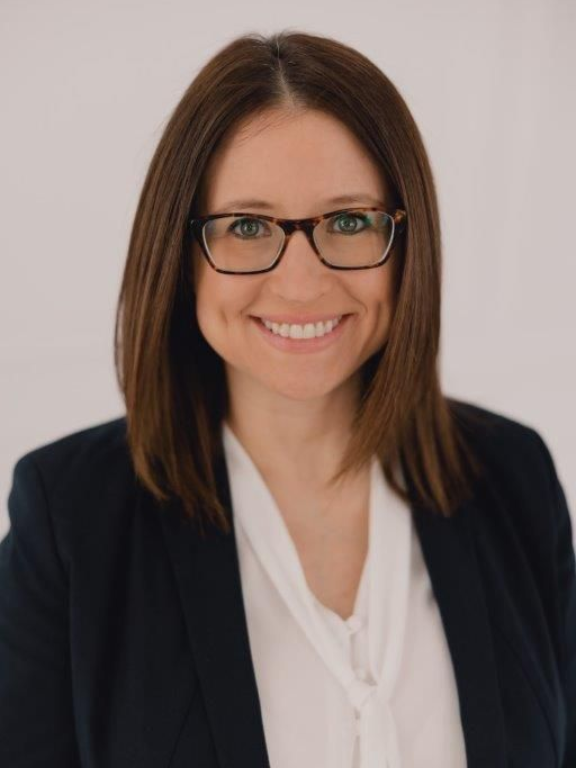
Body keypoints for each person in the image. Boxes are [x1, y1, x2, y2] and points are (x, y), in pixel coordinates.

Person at [1, 29, 574, 768]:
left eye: (347, 221)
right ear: (181, 259)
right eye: (247, 226)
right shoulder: (73, 516)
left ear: (408, 243)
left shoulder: (513, 477)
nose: (301, 282)